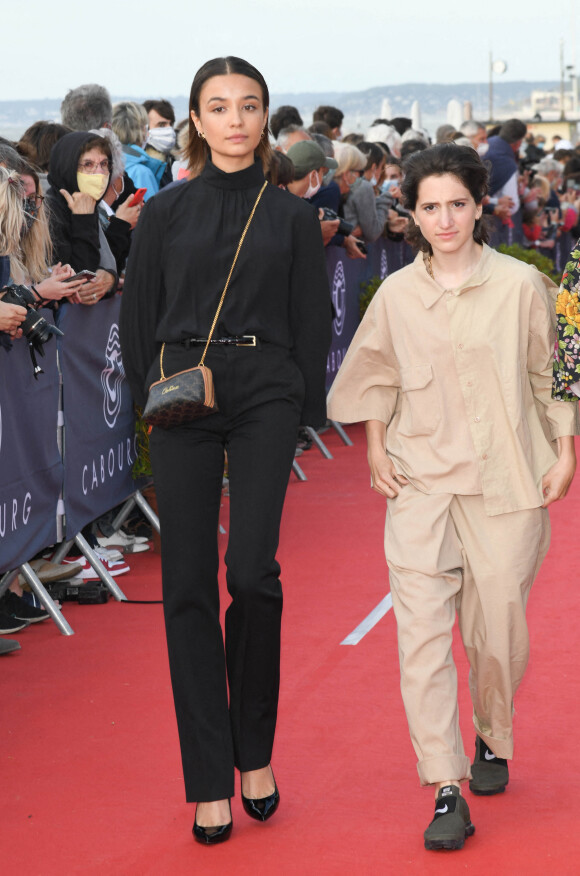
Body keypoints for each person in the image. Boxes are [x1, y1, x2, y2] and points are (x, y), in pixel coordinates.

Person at [327, 143, 578, 851]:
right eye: (430, 207)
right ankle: (444, 786)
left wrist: (565, 450)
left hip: (509, 484)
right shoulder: (399, 294)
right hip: (421, 483)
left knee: (497, 632)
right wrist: (376, 445)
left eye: (457, 205)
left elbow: (550, 376)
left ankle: (493, 733)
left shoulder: (523, 286)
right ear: (411, 211)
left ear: (479, 207)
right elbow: (374, 373)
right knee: (422, 638)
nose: (444, 220)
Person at [119, 55, 331, 845]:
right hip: (183, 392)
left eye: (249, 105)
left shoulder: (288, 217)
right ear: (197, 121)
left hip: (267, 392)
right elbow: (138, 317)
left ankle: (255, 753)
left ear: (263, 117)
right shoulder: (165, 211)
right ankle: (209, 777)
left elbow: (313, 320)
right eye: (219, 106)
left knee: (252, 573)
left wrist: (301, 405)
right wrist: (148, 395)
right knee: (185, 586)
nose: (235, 119)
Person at [112, 101, 165, 200]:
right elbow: (151, 212)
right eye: (146, 127)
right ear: (142, 130)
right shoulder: (141, 172)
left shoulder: (107, 164)